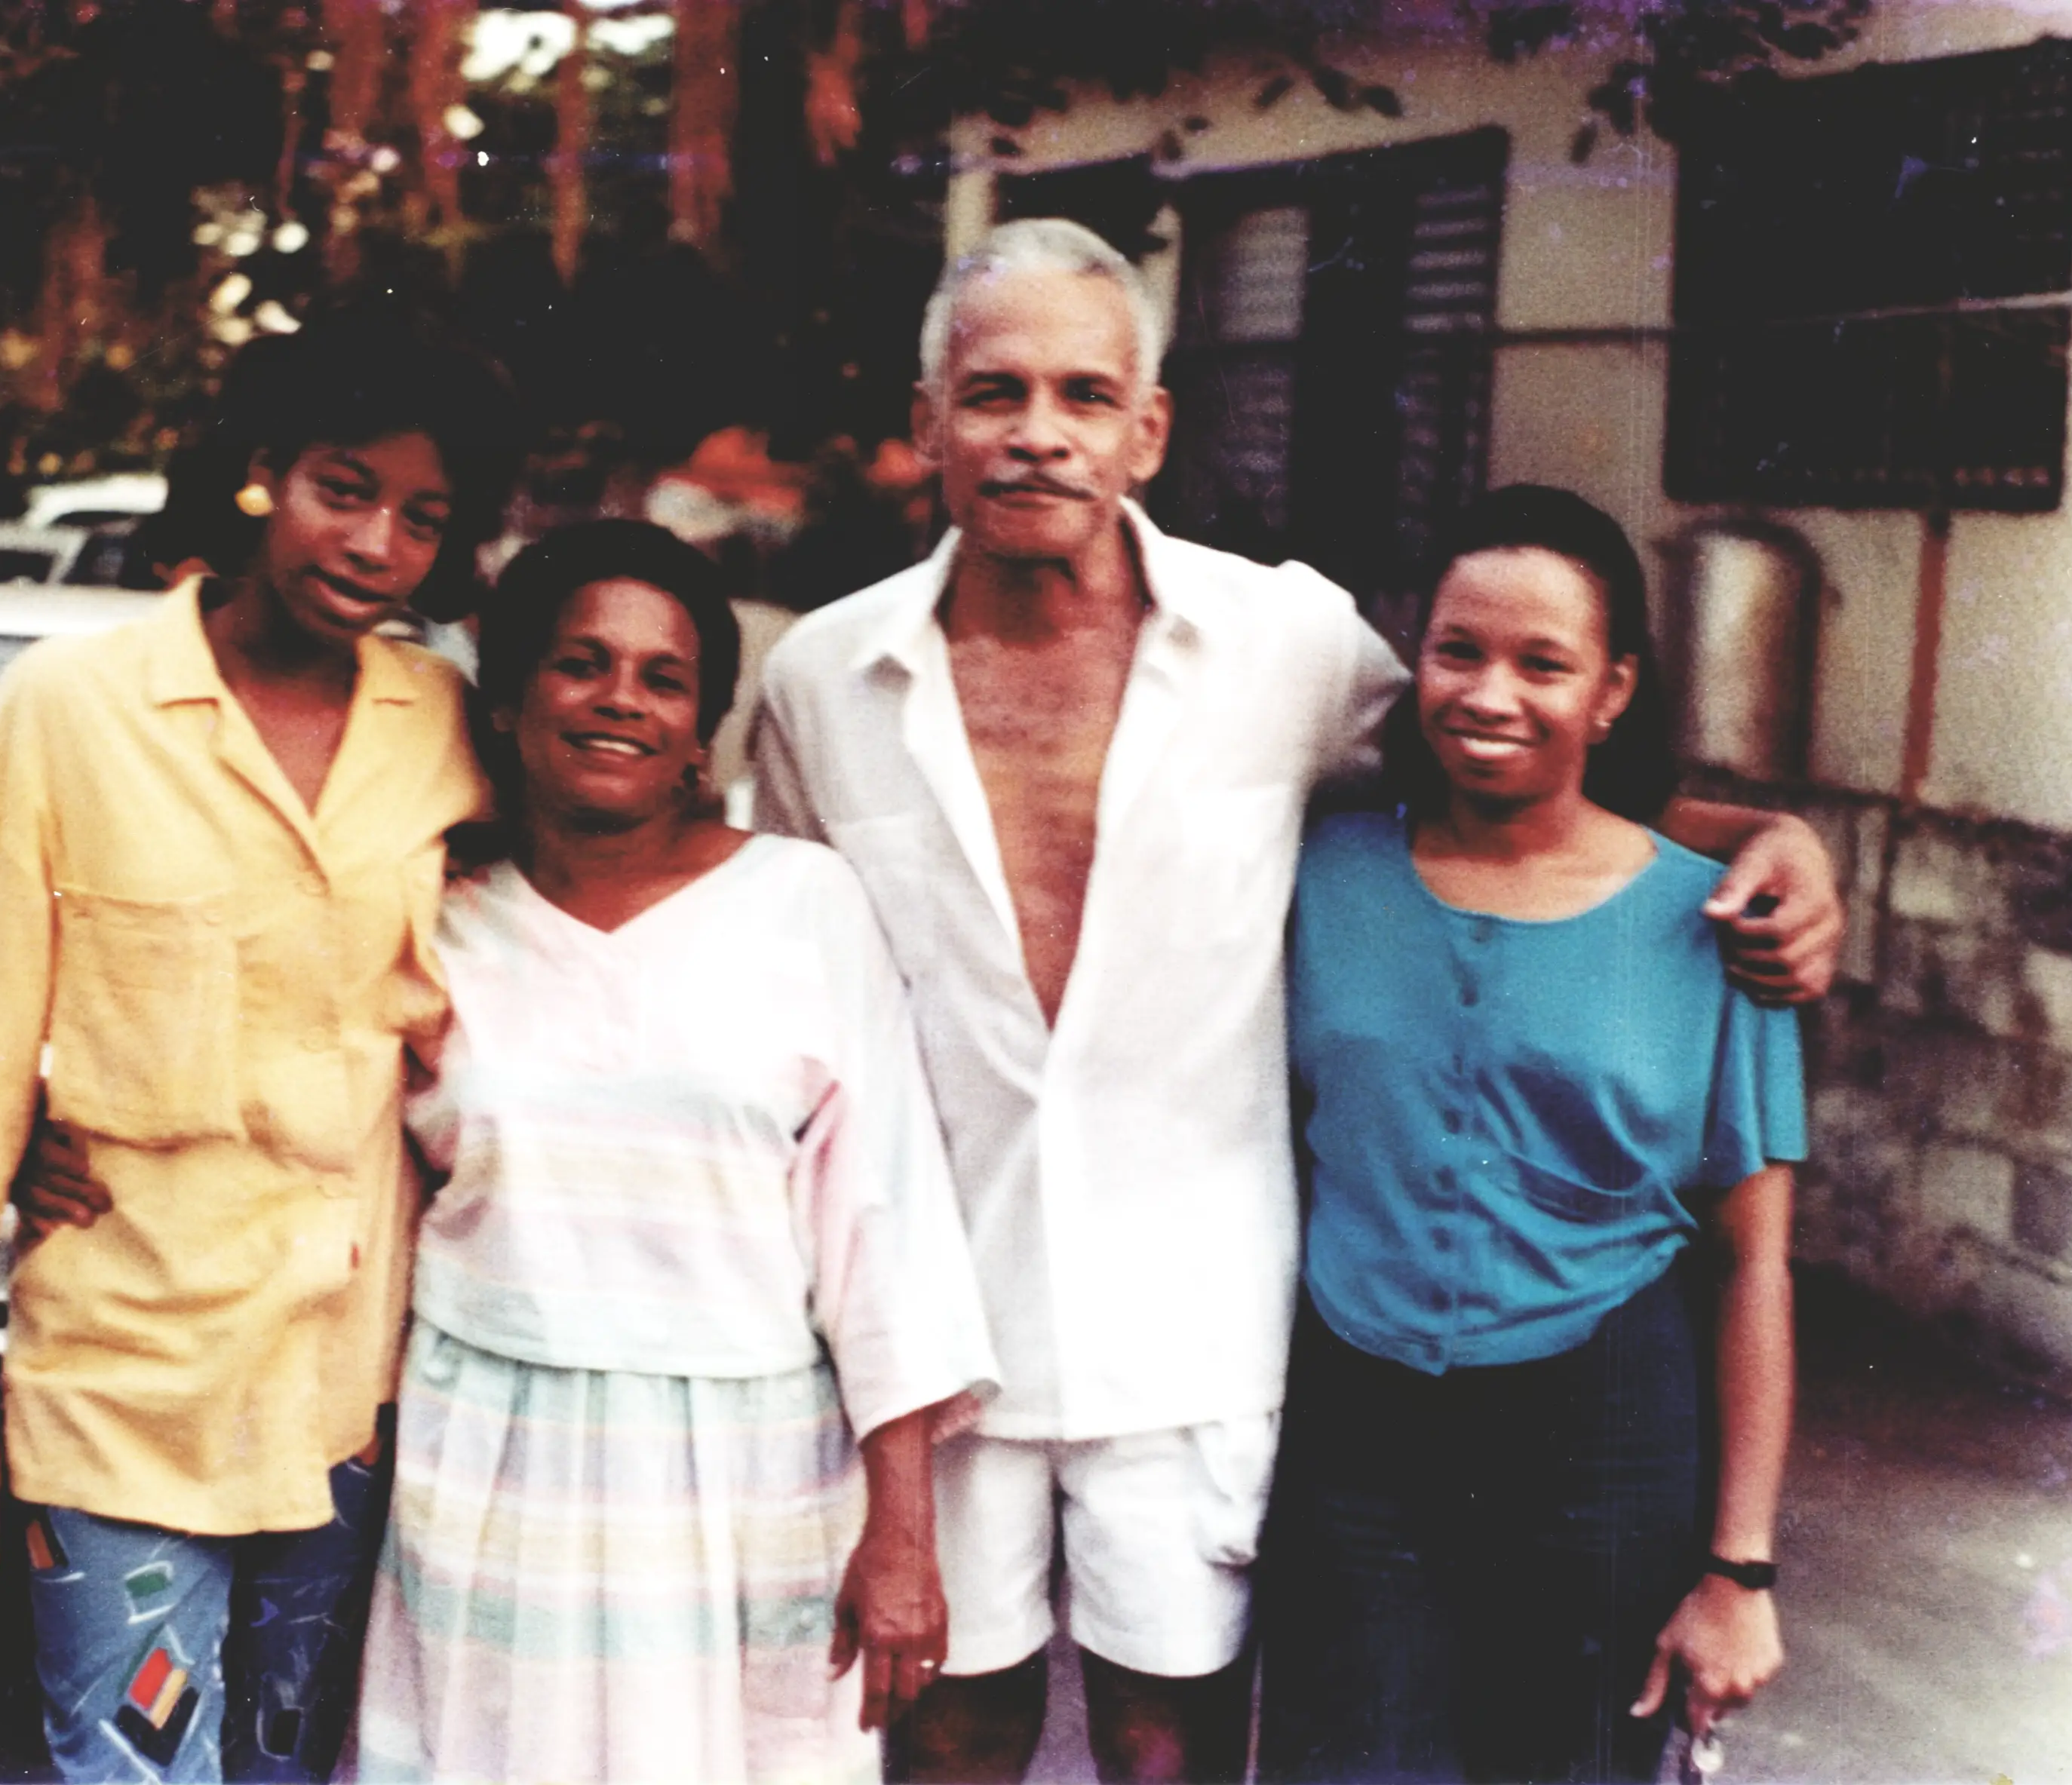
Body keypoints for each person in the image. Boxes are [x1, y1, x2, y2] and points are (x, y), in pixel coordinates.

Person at [748, 219, 1842, 1783]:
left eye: (1082, 391)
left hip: (1199, 1324)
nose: (1037, 432)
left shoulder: (1282, 641)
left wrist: (1763, 839)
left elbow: (1510, 775)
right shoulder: (820, 679)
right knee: (949, 1729)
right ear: (927, 422)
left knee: (1170, 1738)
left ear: (1149, 427)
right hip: (937, 1318)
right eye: (993, 393)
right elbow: (784, 973)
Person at [0, 319, 518, 1783]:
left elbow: (546, 967)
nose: (379, 543)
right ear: (262, 474)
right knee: (131, 1766)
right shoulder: (72, 711)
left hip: (348, 1393)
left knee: (284, 1763)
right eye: (346, 488)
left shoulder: (445, 730)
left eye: (424, 519)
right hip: (122, 1384)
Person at [344, 520, 996, 1783]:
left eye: (662, 677)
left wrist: (905, 1535)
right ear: (512, 692)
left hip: (747, 1480)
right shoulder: (434, 916)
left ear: (703, 725)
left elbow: (885, 1229)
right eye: (579, 663)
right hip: (489, 1464)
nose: (619, 701)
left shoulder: (804, 905)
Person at [1257, 486, 1801, 1782]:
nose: (1489, 693)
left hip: (1603, 1446)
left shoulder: (1713, 922)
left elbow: (1755, 1267)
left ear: (1610, 691)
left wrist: (1738, 1568)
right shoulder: (1318, 873)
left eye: (1541, 662)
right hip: (1357, 1438)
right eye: (1458, 651)